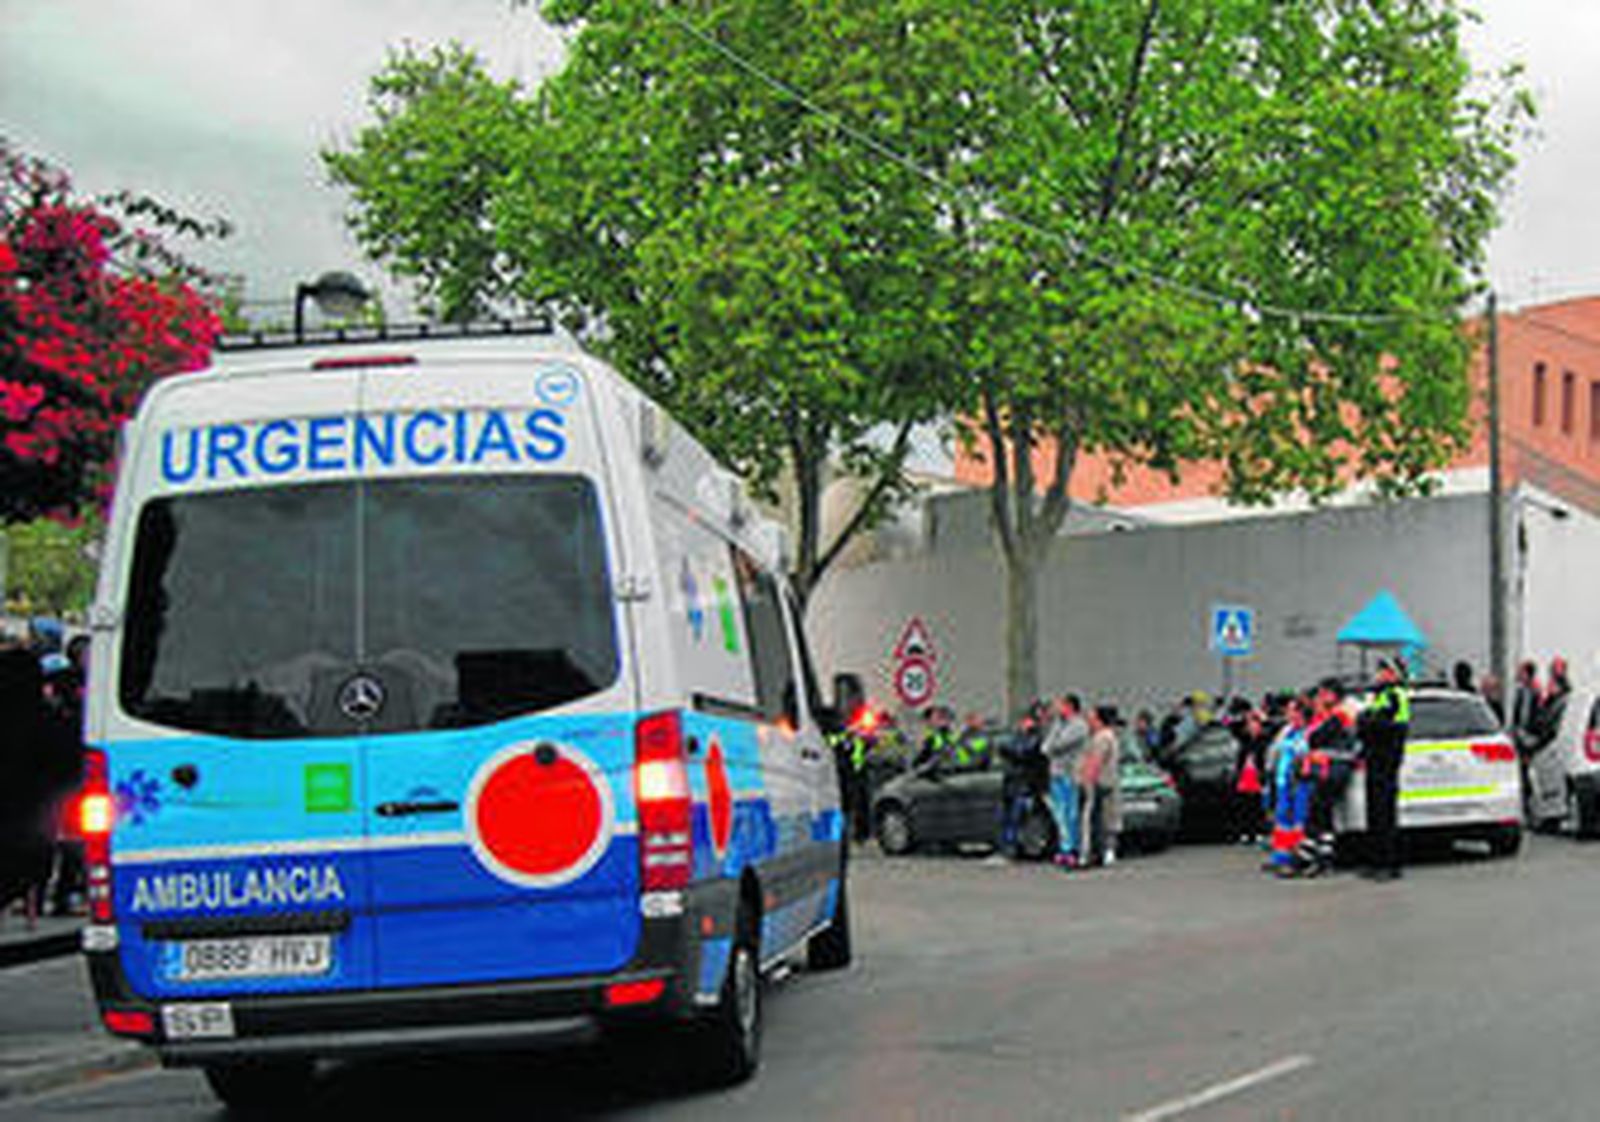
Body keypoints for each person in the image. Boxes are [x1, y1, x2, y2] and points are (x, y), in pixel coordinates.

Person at [1359, 659, 1411, 881]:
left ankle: (1389, 864)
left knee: (1385, 814)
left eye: (1383, 672)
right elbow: (1364, 723)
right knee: (1374, 813)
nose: (1378, 675)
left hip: (1386, 760)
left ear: (1393, 674)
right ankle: (1375, 861)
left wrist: (1368, 721)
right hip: (1374, 759)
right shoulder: (1379, 695)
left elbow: (1380, 725)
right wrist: (1367, 721)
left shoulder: (1395, 695)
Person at [1042, 695, 1089, 869]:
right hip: (1056, 774)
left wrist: (1052, 744)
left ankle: (1073, 850)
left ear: (1070, 706)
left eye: (1061, 705)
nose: (1057, 708)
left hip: (1071, 774)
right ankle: (1063, 848)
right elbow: (1045, 747)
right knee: (1059, 813)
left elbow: (1059, 745)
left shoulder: (1079, 725)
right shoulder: (1059, 724)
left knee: (1071, 813)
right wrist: (1056, 728)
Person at [1078, 706, 1121, 867]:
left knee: (1092, 820)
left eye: (1091, 717)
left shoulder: (1101, 737)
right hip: (1108, 782)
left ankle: (1091, 855)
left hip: (1098, 784)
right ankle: (1104, 853)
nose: (1088, 720)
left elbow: (1096, 761)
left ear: (1099, 720)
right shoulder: (1109, 735)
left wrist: (1085, 781)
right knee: (1107, 819)